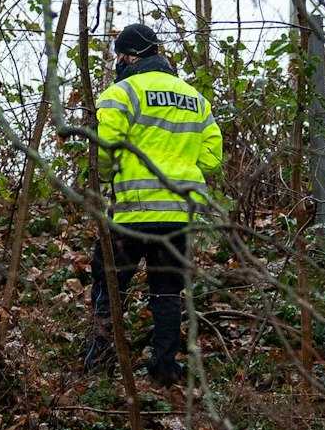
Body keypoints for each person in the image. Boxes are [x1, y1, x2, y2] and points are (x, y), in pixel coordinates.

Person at [82, 23, 222, 386]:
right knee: (167, 292)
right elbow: (212, 158)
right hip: (178, 215)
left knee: (109, 284)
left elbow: (104, 150)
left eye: (119, 55)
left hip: (132, 211)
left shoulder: (121, 93)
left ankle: (99, 364)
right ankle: (163, 370)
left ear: (131, 56)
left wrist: (107, 177)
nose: (117, 62)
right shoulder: (195, 98)